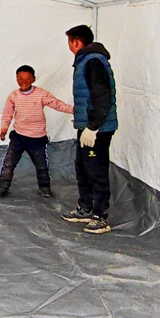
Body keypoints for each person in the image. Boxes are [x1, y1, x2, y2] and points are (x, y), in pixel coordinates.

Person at [61, 25, 118, 234]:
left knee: (96, 169)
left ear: (76, 42)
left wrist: (93, 127)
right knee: (83, 167)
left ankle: (101, 216)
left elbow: (102, 96)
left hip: (97, 130)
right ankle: (85, 208)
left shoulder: (93, 61)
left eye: (70, 42)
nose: (69, 46)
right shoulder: (84, 61)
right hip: (87, 127)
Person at [0, 65, 74, 199]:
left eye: (27, 79)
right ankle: (2, 187)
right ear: (16, 79)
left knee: (41, 165)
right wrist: (3, 129)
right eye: (20, 79)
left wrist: (74, 110)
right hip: (18, 137)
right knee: (8, 164)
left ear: (33, 79)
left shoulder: (41, 94)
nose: (23, 82)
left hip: (37, 138)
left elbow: (57, 104)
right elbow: (7, 113)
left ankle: (44, 187)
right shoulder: (14, 96)